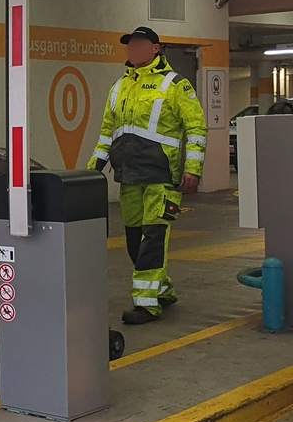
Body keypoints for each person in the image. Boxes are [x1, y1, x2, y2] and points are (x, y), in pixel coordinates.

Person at [88, 26, 208, 325]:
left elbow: (196, 128)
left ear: (155, 48)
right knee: (134, 242)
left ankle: (147, 304)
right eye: (130, 45)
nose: (133, 49)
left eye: (140, 44)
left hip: (160, 177)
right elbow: (107, 133)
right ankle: (163, 290)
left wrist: (192, 169)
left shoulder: (175, 85)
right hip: (128, 178)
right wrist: (92, 170)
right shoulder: (119, 87)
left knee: (152, 240)